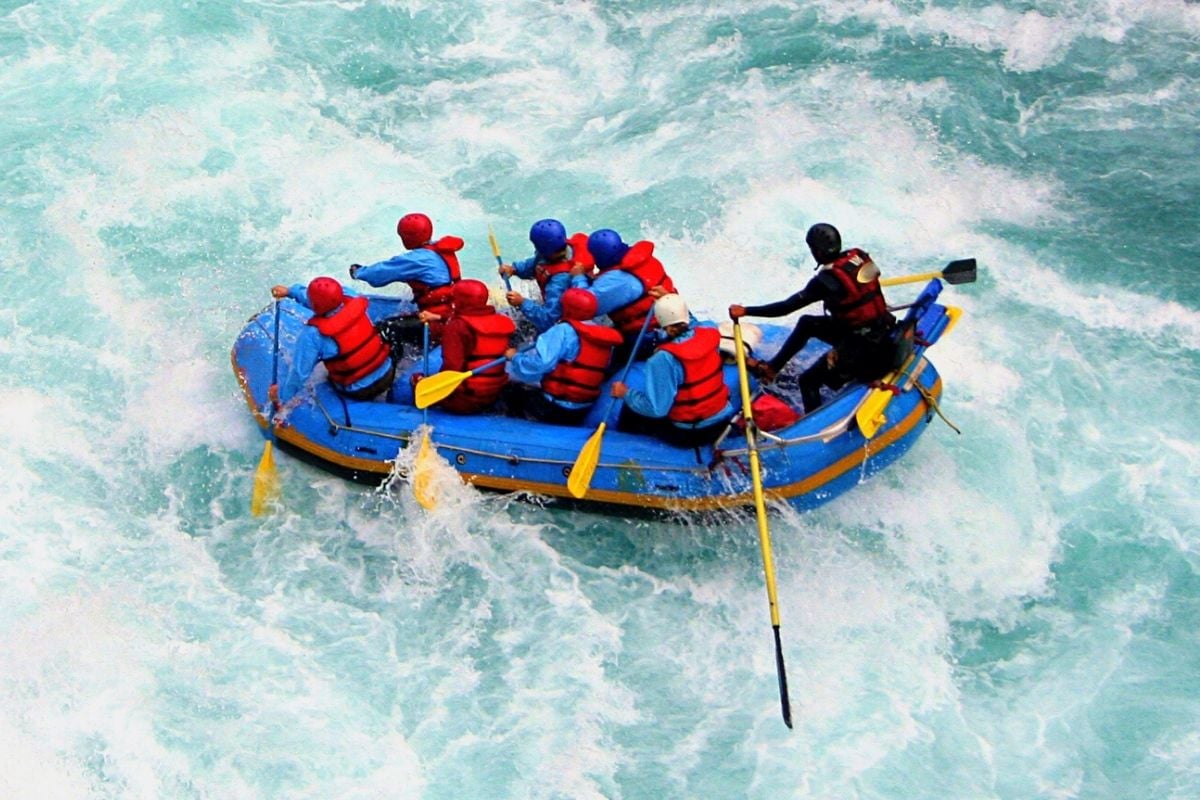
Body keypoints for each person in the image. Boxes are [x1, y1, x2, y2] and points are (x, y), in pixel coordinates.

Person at [729, 222, 897, 413]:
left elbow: (786, 307)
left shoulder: (827, 281)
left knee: (807, 381)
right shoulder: (858, 257)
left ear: (817, 251)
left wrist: (746, 311)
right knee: (808, 323)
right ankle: (772, 368)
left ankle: (813, 419)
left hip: (864, 350)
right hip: (883, 331)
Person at [610, 294, 734, 447]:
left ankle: (623, 449)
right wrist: (667, 298)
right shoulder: (710, 331)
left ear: (663, 323)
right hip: (723, 420)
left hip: (691, 433)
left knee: (631, 409)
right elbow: (694, 324)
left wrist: (625, 393)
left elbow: (657, 410)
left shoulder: (663, 359)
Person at [503, 288, 624, 425]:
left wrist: (514, 357)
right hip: (584, 406)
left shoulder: (562, 331)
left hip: (556, 406)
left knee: (510, 392)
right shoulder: (603, 335)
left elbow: (538, 366)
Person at [348, 212, 463, 350]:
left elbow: (380, 274)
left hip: (438, 321)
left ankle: (392, 367)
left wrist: (358, 272)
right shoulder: (439, 249)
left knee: (386, 329)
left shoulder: (415, 260)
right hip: (455, 313)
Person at [269, 277, 395, 403]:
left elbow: (299, 374)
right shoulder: (352, 297)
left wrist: (281, 396)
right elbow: (326, 300)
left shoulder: (313, 335)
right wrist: (291, 291)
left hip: (359, 390)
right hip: (388, 374)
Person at [584, 228, 677, 360]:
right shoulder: (645, 259)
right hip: (671, 322)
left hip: (646, 337)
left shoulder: (617, 280)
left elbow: (583, 306)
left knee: (605, 361)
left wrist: (579, 278)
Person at [429, 279, 517, 415]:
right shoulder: (500, 321)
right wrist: (438, 317)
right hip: (494, 393)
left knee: (416, 380)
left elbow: (451, 368)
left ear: (460, 300)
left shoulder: (456, 327)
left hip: (465, 399)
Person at [500, 218, 594, 333]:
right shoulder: (558, 250)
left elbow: (548, 320)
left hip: (562, 323)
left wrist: (522, 302)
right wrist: (514, 269)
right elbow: (537, 263)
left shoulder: (560, 281)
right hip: (551, 308)